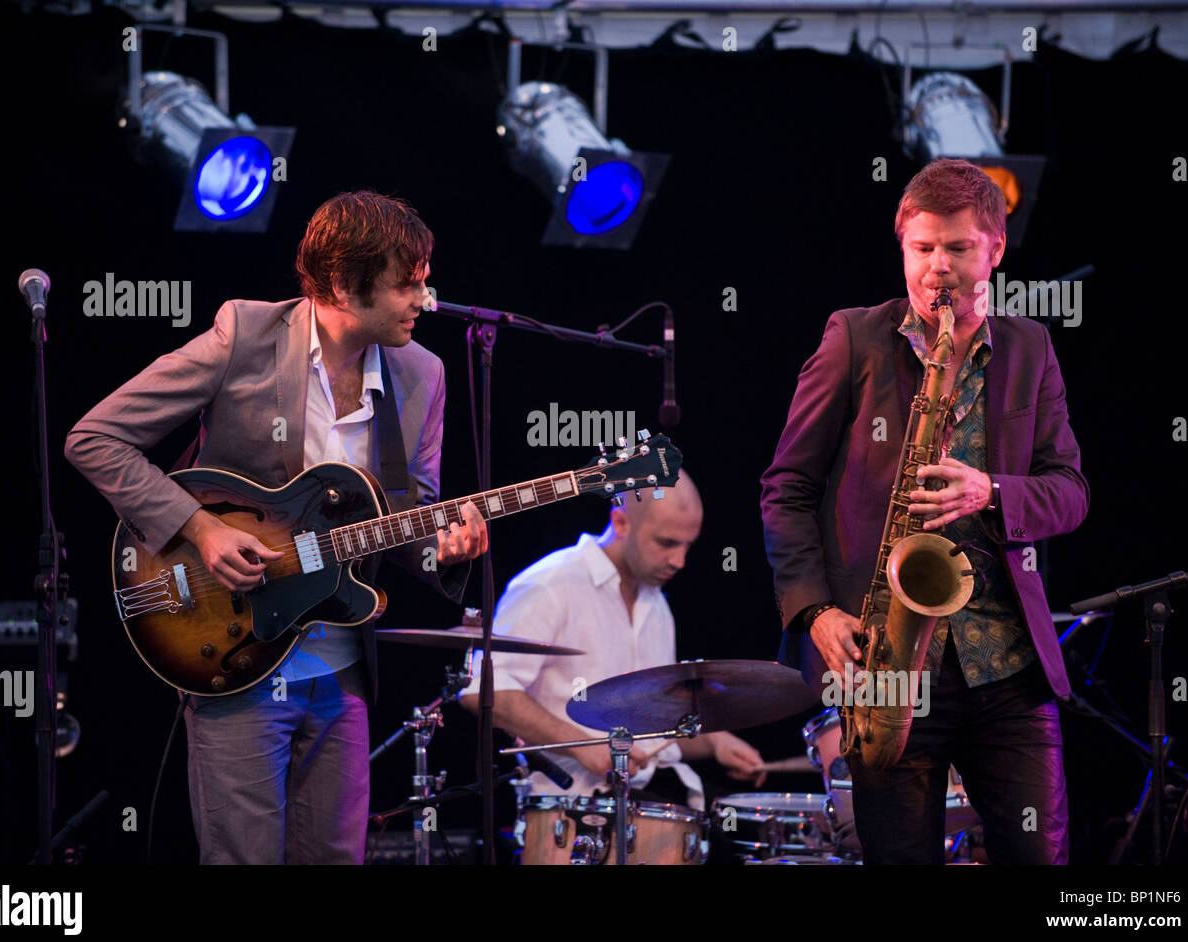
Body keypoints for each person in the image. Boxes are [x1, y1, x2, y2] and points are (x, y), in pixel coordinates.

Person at [65, 190, 487, 864]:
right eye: (408, 282)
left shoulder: (422, 374)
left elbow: (411, 518)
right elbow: (96, 438)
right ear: (346, 285)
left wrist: (445, 546)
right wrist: (200, 528)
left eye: (425, 278)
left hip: (342, 670)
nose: (426, 297)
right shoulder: (245, 335)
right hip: (233, 649)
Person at [760, 158, 1088, 864]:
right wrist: (815, 612)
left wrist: (991, 491)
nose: (938, 268)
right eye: (923, 248)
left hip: (1007, 668)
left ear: (995, 249)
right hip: (887, 667)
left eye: (958, 249)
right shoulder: (853, 338)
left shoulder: (1030, 346)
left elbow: (1070, 490)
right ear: (903, 246)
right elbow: (785, 488)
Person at [459, 471, 765, 811]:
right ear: (620, 523)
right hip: (571, 806)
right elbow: (483, 688)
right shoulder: (551, 583)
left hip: (647, 797)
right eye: (666, 543)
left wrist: (714, 743)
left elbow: (648, 732)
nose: (680, 561)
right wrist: (582, 746)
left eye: (687, 545)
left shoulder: (657, 604)